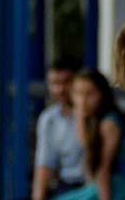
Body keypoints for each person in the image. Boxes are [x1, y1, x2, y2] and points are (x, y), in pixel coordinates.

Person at [55, 69, 125, 200]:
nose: (83, 101)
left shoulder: (109, 123)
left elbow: (102, 170)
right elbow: (88, 147)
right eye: (78, 94)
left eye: (90, 94)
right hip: (110, 185)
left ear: (102, 95)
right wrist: (80, 117)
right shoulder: (93, 120)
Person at [32, 57, 85, 199]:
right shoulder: (48, 118)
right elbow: (44, 164)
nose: (60, 89)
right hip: (65, 187)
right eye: (54, 83)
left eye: (67, 82)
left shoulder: (93, 115)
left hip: (90, 185)